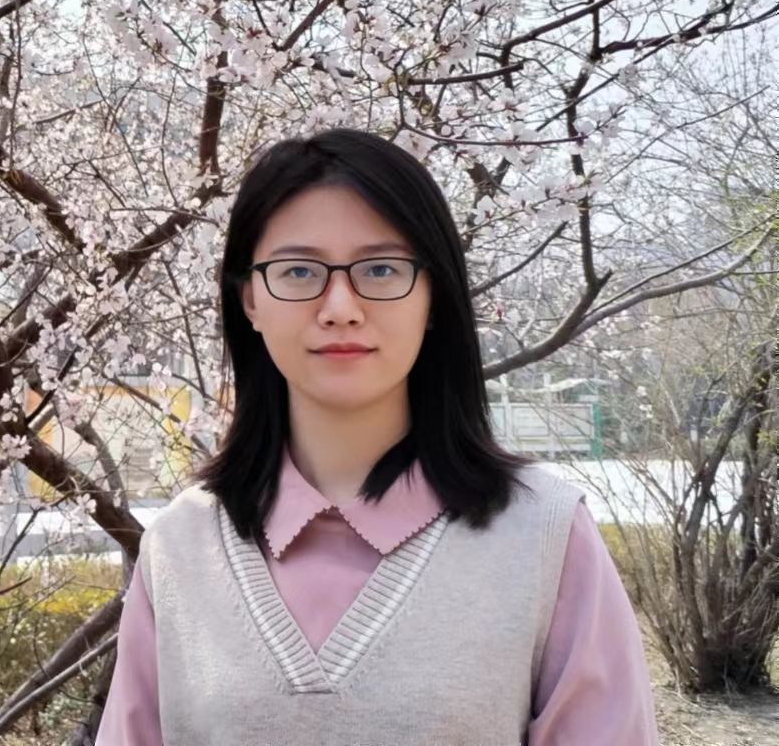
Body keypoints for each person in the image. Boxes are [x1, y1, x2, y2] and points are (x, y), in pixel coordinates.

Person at [96, 128, 659, 745]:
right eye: (299, 270)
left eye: (382, 269)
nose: (340, 307)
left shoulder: (544, 535)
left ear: (433, 294)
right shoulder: (181, 547)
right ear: (249, 298)